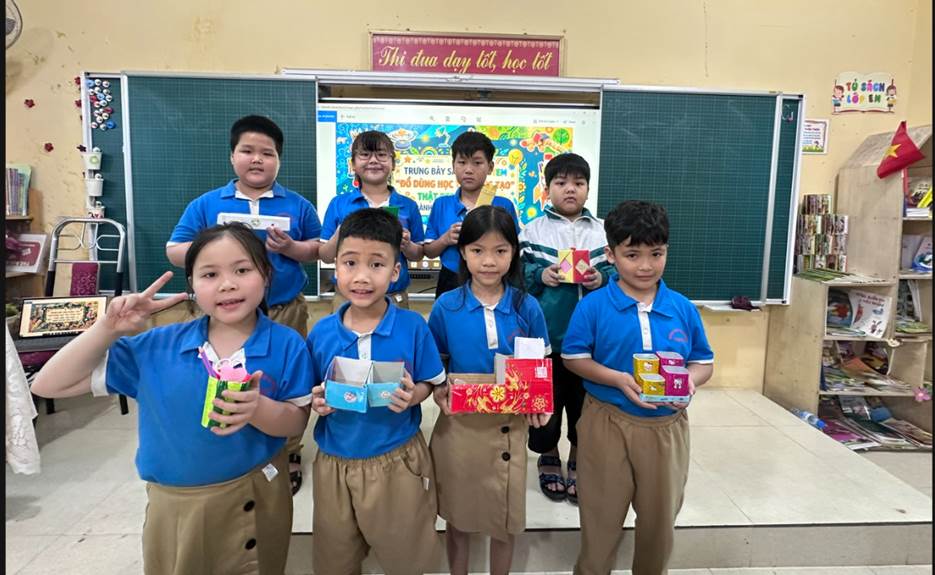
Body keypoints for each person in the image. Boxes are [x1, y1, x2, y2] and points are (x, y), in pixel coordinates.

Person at [33, 223, 313, 575]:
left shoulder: (287, 344)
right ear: (192, 284)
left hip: (257, 493)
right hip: (174, 503)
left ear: (267, 275)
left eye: (242, 270)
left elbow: (296, 421)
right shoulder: (156, 346)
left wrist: (257, 409)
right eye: (210, 274)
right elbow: (48, 384)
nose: (227, 284)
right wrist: (106, 329)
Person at [166, 114, 322, 494]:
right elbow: (174, 250)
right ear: (232, 156)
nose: (257, 159)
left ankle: (288, 451)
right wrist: (217, 248)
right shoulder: (206, 204)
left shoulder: (297, 205)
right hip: (224, 316)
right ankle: (228, 441)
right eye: (247, 151)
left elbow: (319, 249)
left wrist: (291, 247)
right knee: (221, 378)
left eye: (267, 153)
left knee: (285, 382)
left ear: (278, 160)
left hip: (284, 309)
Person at [561, 200, 715, 575]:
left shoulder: (682, 308)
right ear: (610, 255)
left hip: (666, 428)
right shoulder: (593, 306)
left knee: (660, 523)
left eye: (656, 254)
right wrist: (616, 378)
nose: (645, 266)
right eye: (632, 255)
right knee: (600, 519)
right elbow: (573, 358)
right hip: (605, 421)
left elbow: (703, 362)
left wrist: (689, 381)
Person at [307, 208, 446, 574]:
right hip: (335, 462)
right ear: (335, 267)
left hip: (397, 458)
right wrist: (318, 401)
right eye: (350, 263)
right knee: (336, 558)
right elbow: (312, 392)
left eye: (377, 265)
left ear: (395, 272)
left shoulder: (413, 326)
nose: (362, 277)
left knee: (407, 555)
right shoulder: (321, 333)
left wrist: (414, 395)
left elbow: (430, 381)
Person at [428, 205, 552, 575]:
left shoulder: (527, 307)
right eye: (478, 250)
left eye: (500, 250)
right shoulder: (446, 307)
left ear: (514, 253)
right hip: (460, 427)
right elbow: (436, 367)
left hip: (509, 427)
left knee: (505, 518)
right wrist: (439, 389)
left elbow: (540, 368)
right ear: (462, 252)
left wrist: (540, 402)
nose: (488, 261)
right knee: (458, 515)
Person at [518, 152, 613, 504]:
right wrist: (539, 275)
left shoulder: (603, 232)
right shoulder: (532, 231)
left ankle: (577, 455)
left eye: (578, 183)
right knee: (546, 403)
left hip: (591, 342)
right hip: (546, 338)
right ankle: (548, 455)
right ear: (548, 188)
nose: (570, 189)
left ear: (588, 188)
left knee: (584, 405)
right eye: (561, 183)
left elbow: (619, 272)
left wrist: (602, 278)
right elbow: (516, 275)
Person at [318, 130, 425, 309]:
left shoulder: (408, 206)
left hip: (394, 298)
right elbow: (325, 256)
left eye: (381, 155)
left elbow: (418, 254)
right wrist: (341, 233)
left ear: (393, 163)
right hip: (348, 298)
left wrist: (407, 245)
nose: (373, 160)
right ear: (353, 163)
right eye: (365, 155)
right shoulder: (339, 204)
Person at [423, 131, 520, 297]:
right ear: (453, 165)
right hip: (450, 279)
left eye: (477, 163)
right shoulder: (441, 204)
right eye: (462, 162)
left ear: (490, 167)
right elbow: (429, 252)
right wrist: (445, 239)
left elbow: (515, 249)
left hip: (495, 278)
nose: (468, 170)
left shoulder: (504, 205)